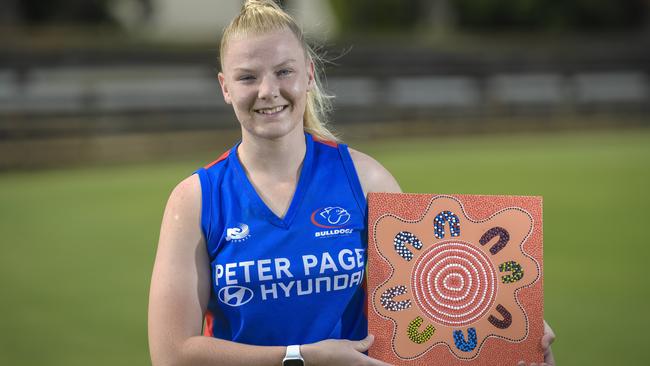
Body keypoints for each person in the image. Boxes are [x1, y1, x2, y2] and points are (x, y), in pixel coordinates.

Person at [147, 1, 555, 365]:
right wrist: (300, 359)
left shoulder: (365, 179)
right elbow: (171, 353)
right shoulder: (196, 199)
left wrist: (510, 336)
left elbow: (430, 305)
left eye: (283, 71)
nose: (268, 91)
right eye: (248, 77)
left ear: (308, 74)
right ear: (225, 87)